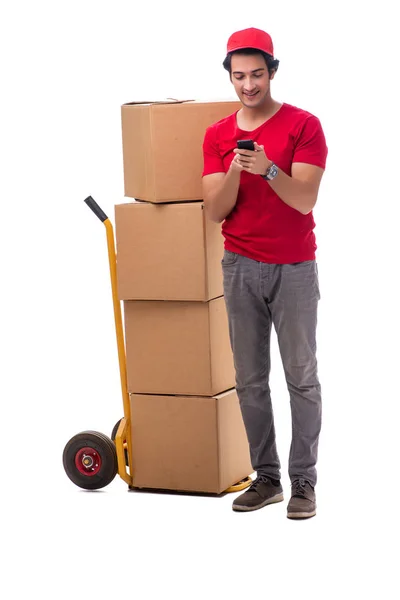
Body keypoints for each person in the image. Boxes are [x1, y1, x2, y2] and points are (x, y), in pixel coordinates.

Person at [202, 27, 328, 519]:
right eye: (239, 76)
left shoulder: (304, 125)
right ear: (229, 76)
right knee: (250, 379)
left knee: (301, 376)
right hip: (239, 267)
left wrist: (270, 169)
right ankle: (267, 478)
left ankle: (303, 482)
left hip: (294, 268)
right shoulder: (216, 134)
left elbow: (305, 200)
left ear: (272, 72)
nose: (248, 84)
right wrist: (238, 166)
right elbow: (216, 211)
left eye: (257, 74)